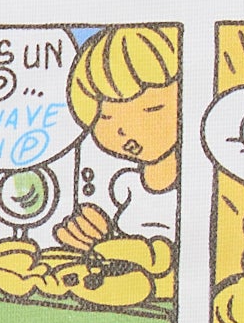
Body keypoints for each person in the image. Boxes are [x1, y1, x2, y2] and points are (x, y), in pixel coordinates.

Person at [54, 24, 181, 250]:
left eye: (152, 109)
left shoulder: (197, 182)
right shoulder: (127, 184)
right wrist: (96, 236)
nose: (122, 130)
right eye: (106, 117)